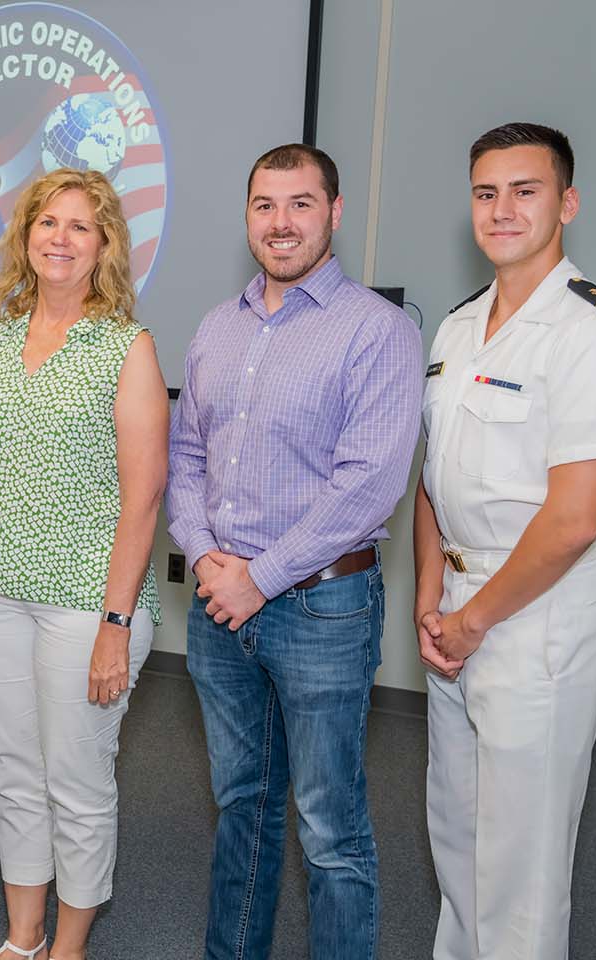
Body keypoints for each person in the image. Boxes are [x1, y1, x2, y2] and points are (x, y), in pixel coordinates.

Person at [166, 143, 422, 959]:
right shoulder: (216, 327)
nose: (281, 224)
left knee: (328, 822)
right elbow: (185, 459)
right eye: (265, 206)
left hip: (322, 605)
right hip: (218, 605)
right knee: (242, 801)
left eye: (300, 204)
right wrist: (206, 557)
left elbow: (368, 486)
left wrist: (260, 580)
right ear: (248, 216)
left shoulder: (376, 332)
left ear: (334, 213)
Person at [415, 122, 596, 960]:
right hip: (455, 610)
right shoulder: (457, 326)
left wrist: (473, 619)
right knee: (460, 835)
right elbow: (435, 475)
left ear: (568, 203)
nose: (502, 209)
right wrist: (426, 599)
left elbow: (574, 517)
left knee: (524, 859)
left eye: (525, 190)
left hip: (538, 617)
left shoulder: (594, 331)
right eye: (486, 192)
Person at [0, 168, 168, 960]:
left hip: (84, 600)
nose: (60, 239)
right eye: (47, 223)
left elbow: (143, 499)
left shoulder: (126, 348)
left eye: (80, 226)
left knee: (76, 780)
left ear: (103, 245)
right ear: (25, 238)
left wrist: (115, 624)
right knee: (13, 771)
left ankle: (69, 948)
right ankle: (23, 937)